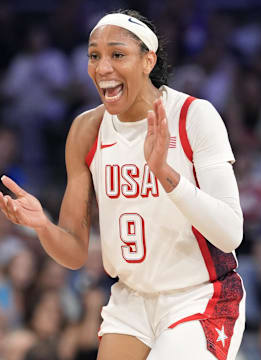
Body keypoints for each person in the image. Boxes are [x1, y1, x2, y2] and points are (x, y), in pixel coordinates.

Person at [0, 9, 245, 360]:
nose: (102, 68)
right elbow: (73, 253)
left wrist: (166, 175)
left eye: (117, 55)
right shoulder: (85, 131)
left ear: (148, 60)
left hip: (200, 295)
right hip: (131, 298)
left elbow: (230, 233)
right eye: (94, 56)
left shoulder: (194, 115)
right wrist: (42, 226)